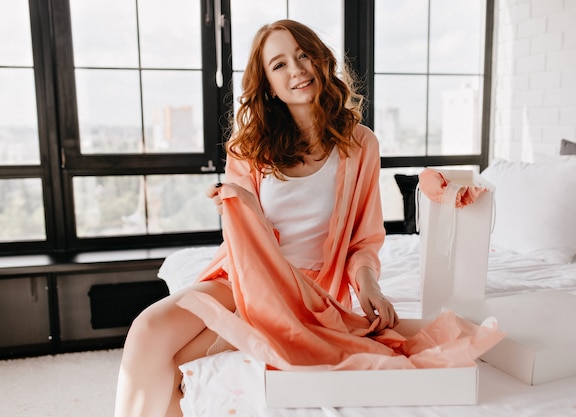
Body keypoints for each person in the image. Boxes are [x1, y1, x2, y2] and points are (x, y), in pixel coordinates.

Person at [114, 19, 399, 417]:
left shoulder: (360, 144)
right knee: (146, 331)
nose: (297, 69)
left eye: (303, 55)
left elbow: (364, 239)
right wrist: (242, 210)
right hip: (245, 276)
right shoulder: (250, 147)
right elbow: (244, 239)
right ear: (267, 83)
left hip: (305, 292)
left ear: (320, 61)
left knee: (181, 361)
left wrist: (370, 285)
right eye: (279, 64)